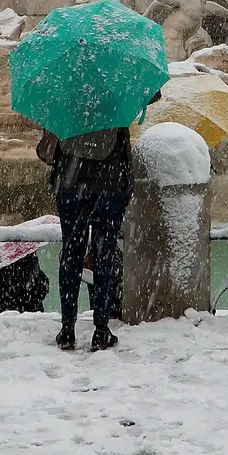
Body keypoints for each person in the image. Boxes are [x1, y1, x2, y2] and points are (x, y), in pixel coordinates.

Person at [39, 126, 134, 352]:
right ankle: (101, 329)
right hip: (110, 181)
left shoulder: (65, 94)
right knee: (104, 254)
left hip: (71, 181)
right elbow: (150, 96)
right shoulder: (119, 94)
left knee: (71, 252)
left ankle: (67, 329)